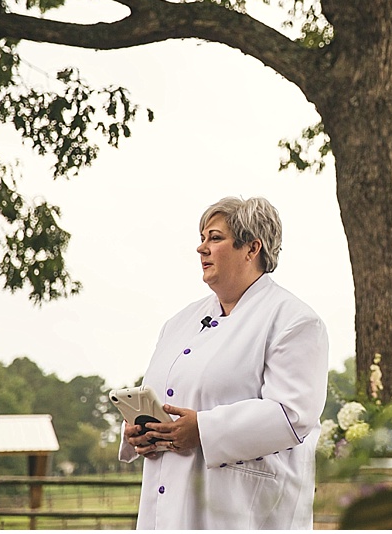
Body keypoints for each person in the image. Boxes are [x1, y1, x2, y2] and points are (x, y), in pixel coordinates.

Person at [118, 196, 329, 529]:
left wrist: (202, 429)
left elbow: (292, 415)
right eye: (202, 239)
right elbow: (159, 397)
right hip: (166, 508)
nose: (202, 248)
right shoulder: (178, 324)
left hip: (245, 512)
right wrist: (138, 432)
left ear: (251, 248)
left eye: (214, 238)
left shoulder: (294, 321)